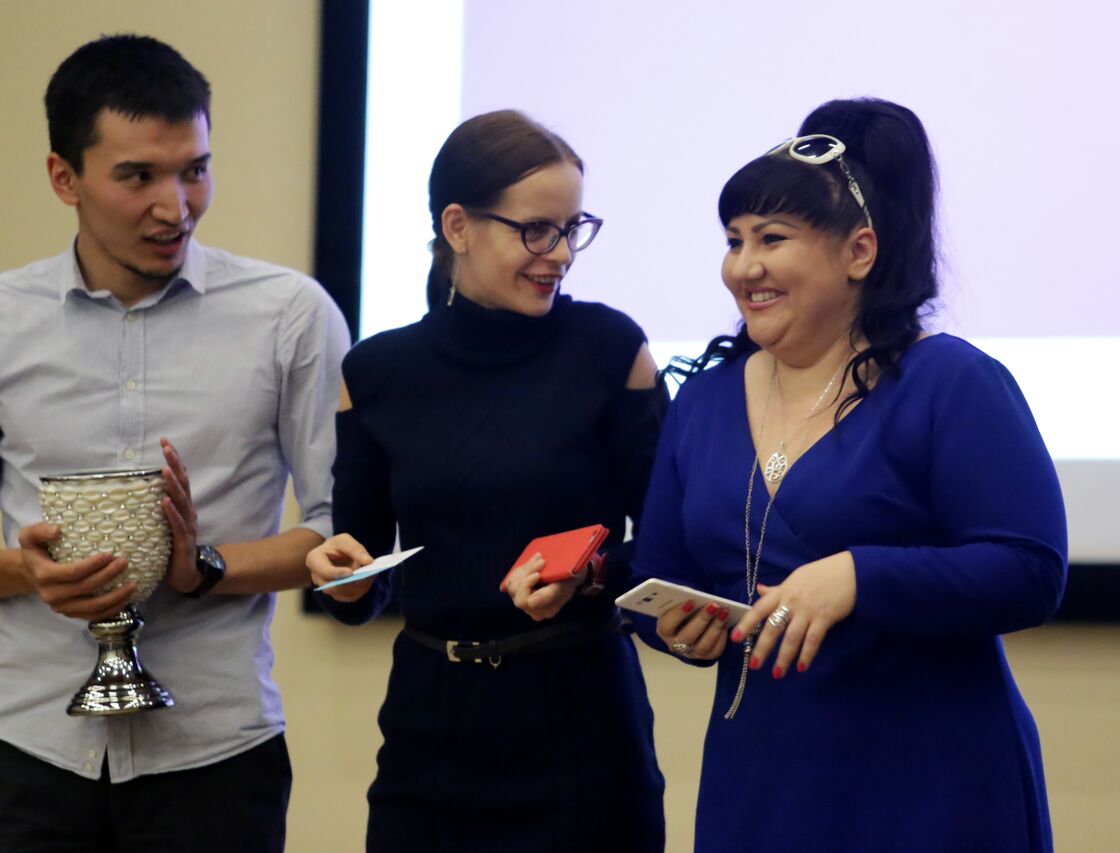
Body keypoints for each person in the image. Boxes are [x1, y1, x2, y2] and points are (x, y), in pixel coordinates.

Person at [0, 34, 348, 852]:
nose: (175, 207)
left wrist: (204, 567)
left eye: (195, 170)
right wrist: (26, 571)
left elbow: (337, 533)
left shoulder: (290, 315)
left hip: (217, 753)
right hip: (29, 744)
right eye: (139, 176)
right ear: (63, 177)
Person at [631, 97, 1067, 852]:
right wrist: (673, 626)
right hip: (763, 781)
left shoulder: (949, 382)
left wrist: (860, 576)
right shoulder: (704, 398)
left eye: (772, 238)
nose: (745, 266)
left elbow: (1031, 570)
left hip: (931, 787)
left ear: (859, 252)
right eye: (734, 240)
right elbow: (661, 573)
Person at [304, 110, 667, 852]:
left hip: (585, 733)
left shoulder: (610, 349)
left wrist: (591, 575)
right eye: (535, 230)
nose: (559, 254)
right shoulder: (376, 373)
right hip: (430, 734)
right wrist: (341, 579)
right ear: (458, 226)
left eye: (572, 229)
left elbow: (672, 543)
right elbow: (363, 573)